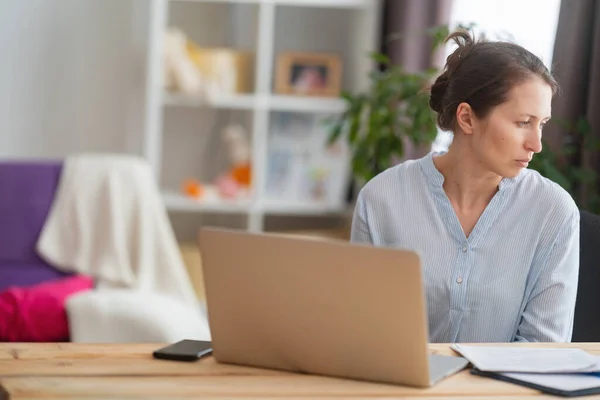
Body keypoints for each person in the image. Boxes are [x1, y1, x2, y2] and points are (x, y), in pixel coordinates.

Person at [350, 30, 580, 343]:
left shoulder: (553, 211)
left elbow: (543, 349)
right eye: (523, 122)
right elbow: (362, 332)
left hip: (505, 393)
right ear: (467, 118)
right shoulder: (382, 199)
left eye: (542, 124)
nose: (536, 144)